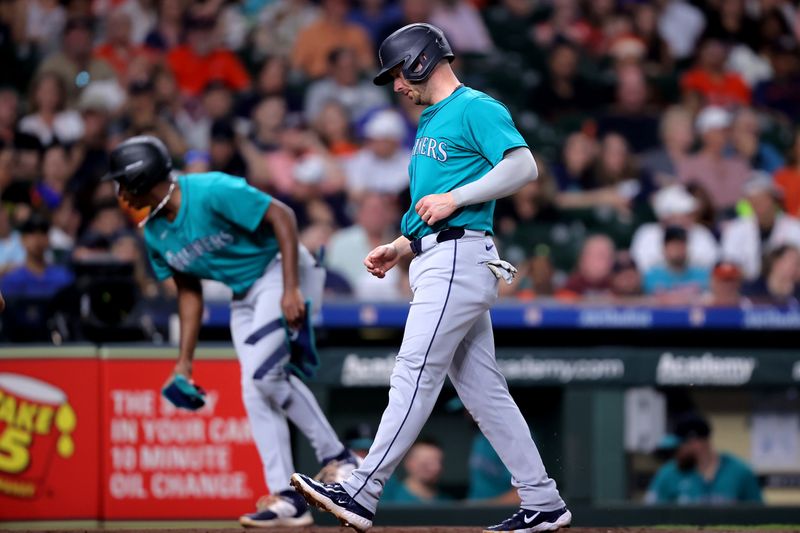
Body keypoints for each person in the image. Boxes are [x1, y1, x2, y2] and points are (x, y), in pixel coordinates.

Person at [290, 23, 571, 533]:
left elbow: (524, 166)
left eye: (398, 72)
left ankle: (361, 488)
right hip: (440, 253)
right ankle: (543, 502)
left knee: (414, 373)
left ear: (420, 60)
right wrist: (401, 245)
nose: (396, 85)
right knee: (485, 394)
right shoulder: (433, 119)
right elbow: (434, 205)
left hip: (459, 259)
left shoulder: (473, 106)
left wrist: (459, 199)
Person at [102, 135, 360, 527]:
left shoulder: (209, 190)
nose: (119, 192)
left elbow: (283, 217)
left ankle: (339, 458)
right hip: (244, 294)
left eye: (123, 182)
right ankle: (288, 497)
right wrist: (183, 363)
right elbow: (189, 293)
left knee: (263, 374)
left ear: (141, 178)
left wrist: (291, 288)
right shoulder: (154, 231)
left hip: (281, 268)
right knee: (254, 387)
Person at [646, 413, 762, 504]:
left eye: (679, 448)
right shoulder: (668, 474)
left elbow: (759, 517)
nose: (676, 454)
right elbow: (649, 516)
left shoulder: (740, 472)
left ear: (696, 443)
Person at [720, 172, 800, 280]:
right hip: (747, 288)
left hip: (787, 289)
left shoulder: (795, 228)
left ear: (774, 199)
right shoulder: (736, 229)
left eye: (762, 200)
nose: (759, 206)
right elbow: (728, 262)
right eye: (754, 202)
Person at [642, 226, 710, 303]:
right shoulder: (650, 277)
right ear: (664, 248)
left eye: (681, 245)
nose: (678, 250)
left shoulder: (702, 275)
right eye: (674, 245)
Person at [382, 438, 452, 504]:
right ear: (409, 463)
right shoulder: (389, 499)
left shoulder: (448, 502)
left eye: (439, 462)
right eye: (426, 464)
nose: (435, 468)